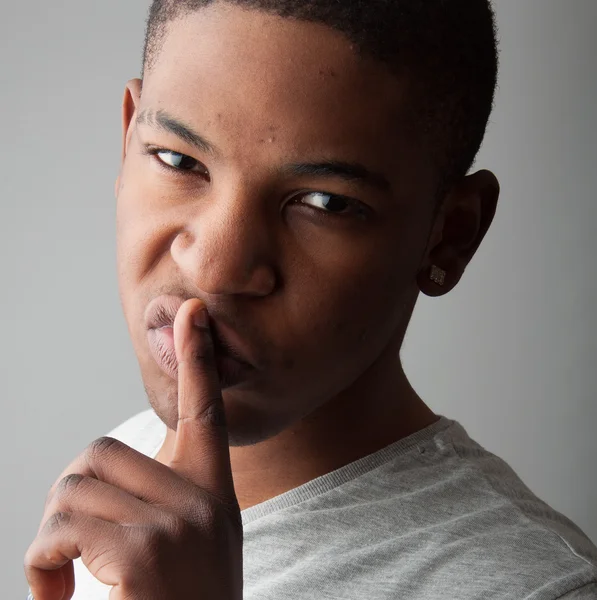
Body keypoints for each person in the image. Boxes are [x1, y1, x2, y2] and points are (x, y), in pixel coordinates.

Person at [24, 1, 597, 599]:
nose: (215, 269)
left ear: (450, 235)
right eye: (178, 160)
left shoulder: (539, 588)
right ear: (127, 140)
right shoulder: (125, 469)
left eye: (325, 202)